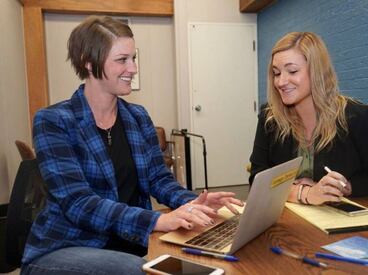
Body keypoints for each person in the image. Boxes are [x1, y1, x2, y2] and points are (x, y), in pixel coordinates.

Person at [21, 16, 243, 275]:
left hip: (128, 241)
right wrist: (158, 219)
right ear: (88, 62)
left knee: (206, 261)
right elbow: (78, 203)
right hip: (65, 247)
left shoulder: (137, 116)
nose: (133, 68)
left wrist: (195, 203)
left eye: (133, 58)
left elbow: (159, 179)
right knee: (144, 271)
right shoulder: (54, 121)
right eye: (122, 60)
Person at [249, 32, 368, 206]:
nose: (281, 82)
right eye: (276, 73)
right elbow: (257, 178)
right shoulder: (269, 118)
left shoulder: (354, 116)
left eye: (292, 71)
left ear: (316, 71)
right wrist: (304, 193)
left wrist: (344, 187)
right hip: (286, 220)